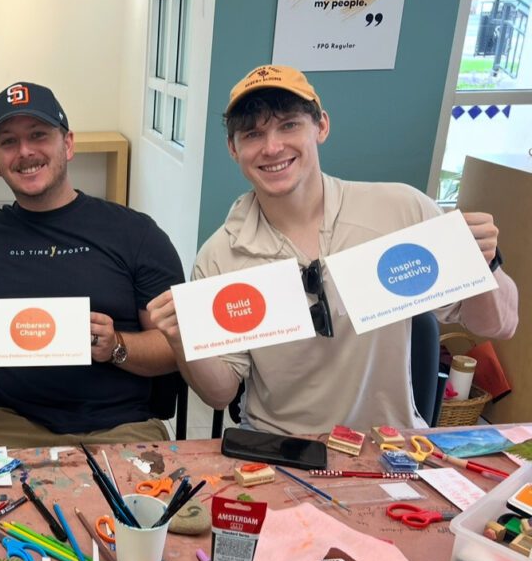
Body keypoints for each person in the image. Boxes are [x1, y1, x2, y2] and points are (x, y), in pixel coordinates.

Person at [148, 65, 519, 435]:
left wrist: (486, 264)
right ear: (234, 148)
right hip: (279, 448)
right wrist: (184, 341)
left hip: (390, 447)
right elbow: (221, 392)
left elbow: (499, 324)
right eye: (253, 134)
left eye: (289, 125)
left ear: (321, 126)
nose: (272, 146)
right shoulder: (220, 256)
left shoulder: (402, 210)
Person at [0, 82, 184, 448]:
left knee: (151, 505)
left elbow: (176, 348)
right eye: (8, 142)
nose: (25, 151)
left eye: (39, 135)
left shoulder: (135, 233)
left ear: (68, 143)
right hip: (5, 426)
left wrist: (117, 346)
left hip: (122, 427)